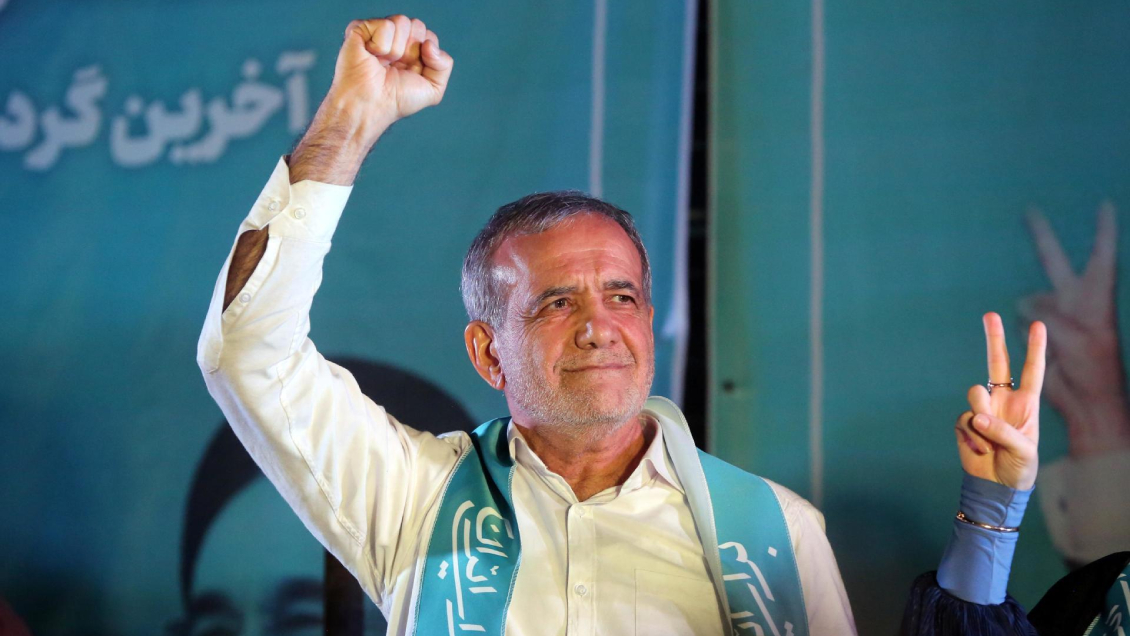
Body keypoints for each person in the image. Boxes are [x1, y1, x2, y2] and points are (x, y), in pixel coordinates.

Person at [197, 14, 1047, 635]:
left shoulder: (777, 534)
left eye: (623, 296)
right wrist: (349, 118)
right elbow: (247, 349)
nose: (598, 327)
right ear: (488, 353)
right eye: (556, 303)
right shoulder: (412, 496)